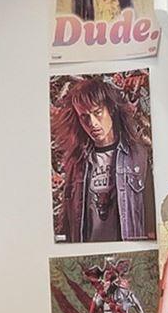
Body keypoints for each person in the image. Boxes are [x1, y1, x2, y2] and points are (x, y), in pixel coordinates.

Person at [58, 80, 153, 243]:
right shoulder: (77, 163)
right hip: (88, 252)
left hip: (126, 251)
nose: (92, 123)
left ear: (111, 109)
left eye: (97, 112)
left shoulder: (138, 156)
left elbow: (152, 218)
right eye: (84, 117)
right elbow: (67, 223)